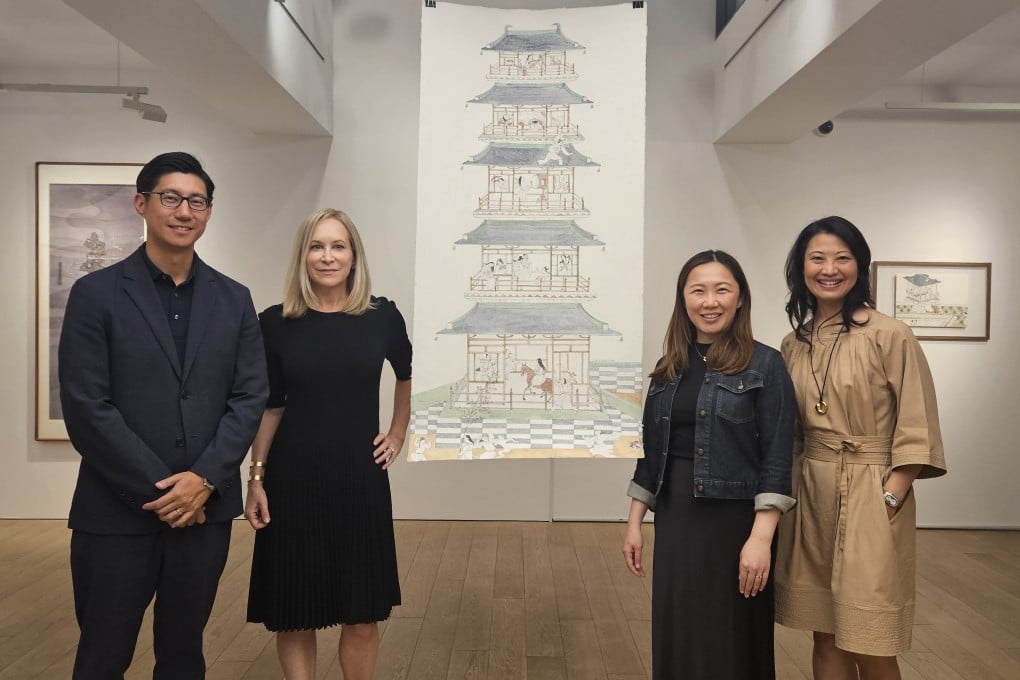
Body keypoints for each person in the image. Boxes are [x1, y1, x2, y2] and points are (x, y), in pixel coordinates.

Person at [58, 151, 269, 679]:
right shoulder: (95, 294)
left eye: (196, 201)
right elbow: (87, 407)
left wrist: (202, 481)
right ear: (141, 204)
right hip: (115, 514)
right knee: (102, 656)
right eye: (170, 198)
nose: (183, 211)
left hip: (204, 515)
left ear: (209, 213)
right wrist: (166, 492)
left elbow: (249, 398)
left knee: (183, 655)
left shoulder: (234, 298)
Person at [775, 216, 947, 680]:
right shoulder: (795, 343)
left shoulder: (890, 334)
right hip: (810, 491)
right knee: (824, 629)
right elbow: (786, 429)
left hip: (872, 488)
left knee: (869, 635)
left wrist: (891, 494)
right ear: (801, 269)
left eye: (842, 258)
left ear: (860, 266)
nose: (829, 269)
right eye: (817, 258)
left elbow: (917, 421)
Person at [244, 208, 412, 680]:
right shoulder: (275, 323)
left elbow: (407, 375)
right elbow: (270, 406)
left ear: (354, 255)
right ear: (303, 256)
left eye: (338, 246)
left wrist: (397, 432)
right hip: (292, 480)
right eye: (317, 246)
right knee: (295, 611)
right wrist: (255, 478)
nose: (327, 256)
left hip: (359, 479)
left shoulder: (382, 316)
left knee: (362, 613)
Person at [623, 250, 796, 679]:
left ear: (740, 299)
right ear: (684, 300)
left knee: (732, 633)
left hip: (736, 521)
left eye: (722, 289)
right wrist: (634, 522)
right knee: (677, 627)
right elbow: (650, 450)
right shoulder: (669, 368)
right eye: (698, 290)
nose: (710, 301)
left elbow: (777, 456)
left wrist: (761, 538)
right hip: (677, 515)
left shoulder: (766, 363)